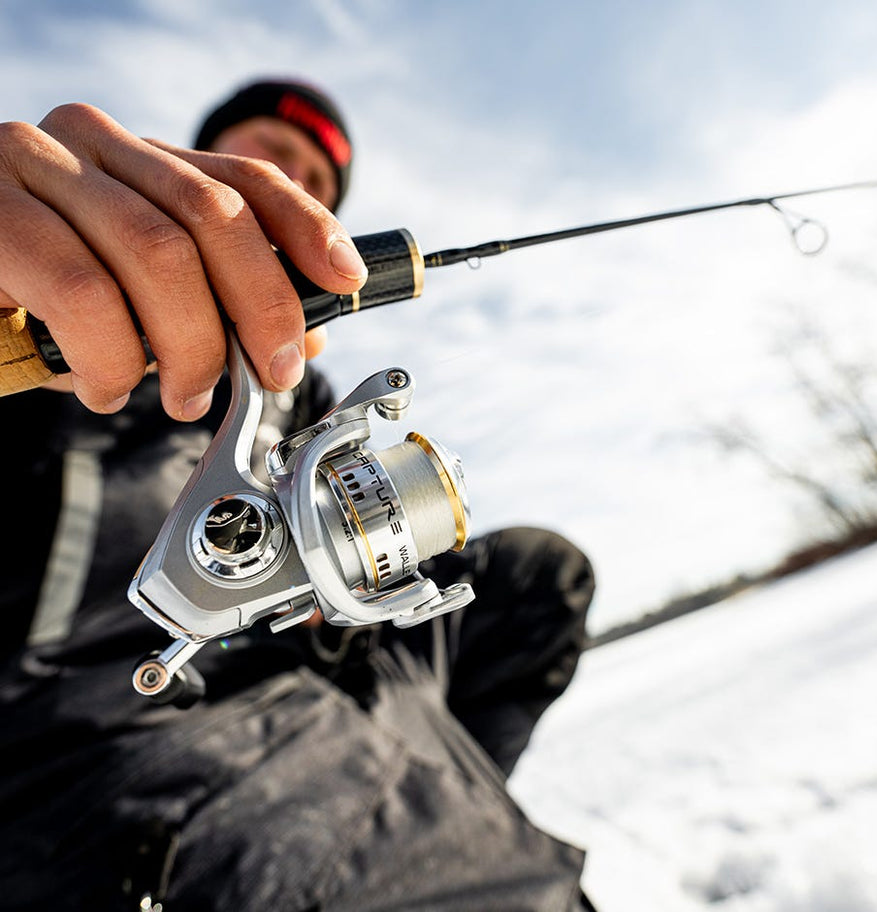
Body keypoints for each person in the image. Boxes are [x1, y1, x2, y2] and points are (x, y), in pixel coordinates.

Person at [0, 79, 596, 910]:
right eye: (274, 155)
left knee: (542, 575)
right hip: (110, 737)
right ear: (195, 163)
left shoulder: (299, 391)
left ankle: (420, 797)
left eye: (319, 182)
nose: (296, 181)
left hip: (317, 662)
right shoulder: (40, 329)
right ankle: (415, 829)